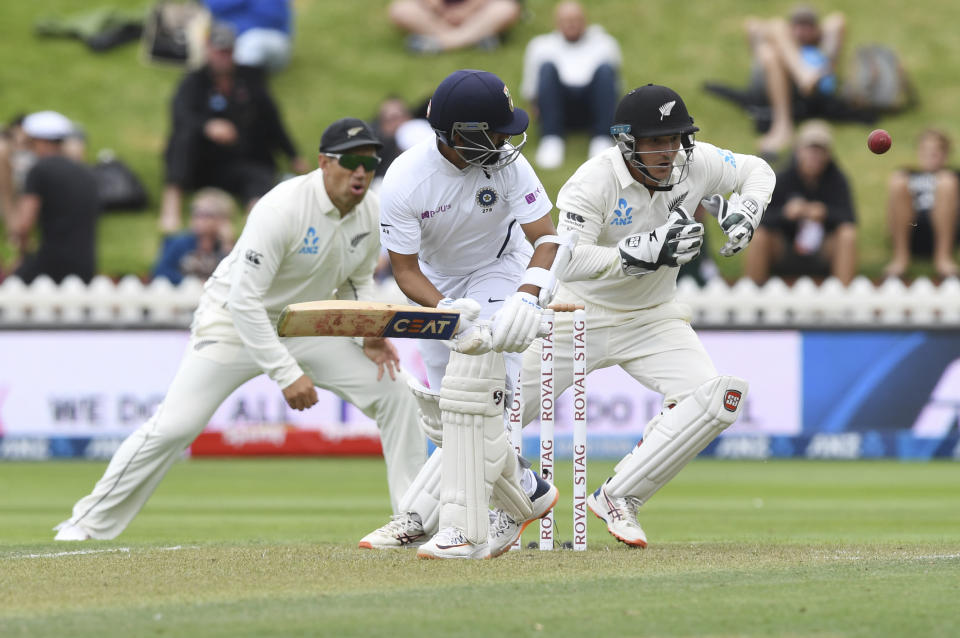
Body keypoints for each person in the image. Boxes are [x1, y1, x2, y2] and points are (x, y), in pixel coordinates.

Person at [362, 83, 775, 554]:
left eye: (677, 139)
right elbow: (566, 259)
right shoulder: (592, 181)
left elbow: (757, 169)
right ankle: (417, 517)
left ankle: (620, 497)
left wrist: (749, 207)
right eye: (656, 141)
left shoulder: (696, 162)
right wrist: (632, 254)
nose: (670, 152)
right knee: (486, 409)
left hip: (654, 317)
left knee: (718, 398)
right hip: (573, 314)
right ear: (626, 142)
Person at [53, 118, 427, 541]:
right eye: (351, 160)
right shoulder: (281, 208)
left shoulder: (371, 212)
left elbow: (357, 282)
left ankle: (412, 520)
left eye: (370, 160)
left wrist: (369, 336)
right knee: (174, 428)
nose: (362, 170)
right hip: (231, 323)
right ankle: (85, 524)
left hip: (304, 324)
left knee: (397, 393)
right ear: (324, 163)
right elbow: (244, 301)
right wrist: (287, 374)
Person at [369, 69, 569, 560]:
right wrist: (444, 308)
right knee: (449, 411)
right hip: (436, 286)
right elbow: (405, 269)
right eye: (495, 132)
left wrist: (526, 294)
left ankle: (468, 527)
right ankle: (525, 489)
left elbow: (546, 237)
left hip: (502, 269)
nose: (506, 140)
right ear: (461, 134)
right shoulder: (405, 180)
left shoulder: (506, 166)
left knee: (482, 396)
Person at [160, 22, 308, 233]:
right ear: (208, 49)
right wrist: (207, 126)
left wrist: (293, 155)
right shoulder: (194, 82)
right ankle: (171, 204)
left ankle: (256, 212)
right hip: (202, 162)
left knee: (260, 171)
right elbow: (180, 116)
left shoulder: (250, 79)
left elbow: (272, 119)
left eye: (228, 52)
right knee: (183, 137)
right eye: (219, 51)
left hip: (239, 160)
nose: (224, 57)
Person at [744, 119, 857, 285]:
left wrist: (825, 213)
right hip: (785, 248)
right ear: (798, 151)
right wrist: (786, 213)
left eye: (820, 151)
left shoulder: (837, 180)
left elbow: (849, 218)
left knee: (847, 235)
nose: (814, 156)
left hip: (822, 250)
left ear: (828, 155)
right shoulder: (781, 179)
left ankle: (843, 298)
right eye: (810, 150)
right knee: (759, 236)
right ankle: (752, 295)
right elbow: (757, 219)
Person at [521, 1, 620, 169]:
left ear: (584, 20)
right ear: (556, 22)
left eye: (575, 19)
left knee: (605, 70)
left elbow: (614, 87)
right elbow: (531, 89)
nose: (571, 24)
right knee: (547, 68)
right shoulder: (540, 46)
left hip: (591, 107)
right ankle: (551, 138)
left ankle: (602, 139)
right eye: (566, 19)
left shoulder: (605, 43)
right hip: (557, 108)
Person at [4, 111, 100, 284]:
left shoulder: (39, 171)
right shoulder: (86, 172)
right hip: (86, 265)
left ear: (40, 142)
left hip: (50, 264)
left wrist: (22, 254)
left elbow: (24, 224)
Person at [744, 5, 846, 156]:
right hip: (784, 86)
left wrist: (820, 35)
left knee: (770, 46)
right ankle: (803, 75)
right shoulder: (781, 44)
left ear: (817, 29)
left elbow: (837, 21)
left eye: (807, 26)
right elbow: (751, 25)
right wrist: (781, 33)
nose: (801, 32)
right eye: (797, 26)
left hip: (812, 94)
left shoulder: (819, 49)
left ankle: (784, 125)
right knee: (770, 43)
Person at [884, 129, 959, 280]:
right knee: (898, 181)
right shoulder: (907, 175)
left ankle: (943, 259)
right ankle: (900, 258)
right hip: (912, 227)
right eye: (926, 149)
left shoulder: (953, 175)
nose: (931, 154)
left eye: (936, 150)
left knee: (946, 182)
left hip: (946, 231)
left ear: (945, 154)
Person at [152, 187, 236, 284]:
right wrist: (193, 282)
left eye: (207, 215)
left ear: (222, 220)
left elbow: (234, 276)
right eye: (196, 213)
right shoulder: (179, 242)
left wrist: (227, 244)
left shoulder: (227, 247)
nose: (198, 219)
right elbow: (160, 271)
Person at [388, 0, 521, 55]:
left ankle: (436, 44)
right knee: (401, 10)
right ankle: (475, 39)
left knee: (506, 9)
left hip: (477, 12)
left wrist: (466, 10)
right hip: (437, 16)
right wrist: (439, 8)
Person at [204, 0, 293, 72]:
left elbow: (273, 15)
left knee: (252, 41)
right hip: (230, 39)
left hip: (273, 39)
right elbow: (214, 5)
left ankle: (241, 82)